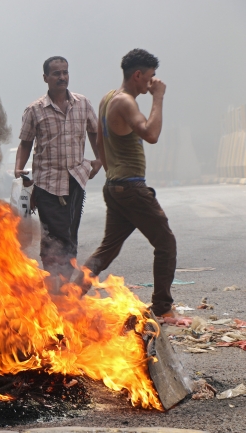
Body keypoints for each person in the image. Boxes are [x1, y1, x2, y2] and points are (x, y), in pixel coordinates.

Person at [75, 49, 176, 319]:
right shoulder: (126, 102)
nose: (152, 83)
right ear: (138, 75)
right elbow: (152, 134)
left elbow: (99, 143)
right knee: (166, 243)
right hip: (131, 187)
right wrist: (159, 97)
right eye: (150, 78)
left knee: (107, 249)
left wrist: (113, 176)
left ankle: (69, 295)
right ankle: (163, 308)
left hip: (116, 185)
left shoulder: (108, 98)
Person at [14, 56, 102, 284]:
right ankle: (55, 281)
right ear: (46, 78)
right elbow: (25, 142)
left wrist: (100, 159)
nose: (62, 77)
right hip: (47, 183)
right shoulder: (35, 110)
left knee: (70, 234)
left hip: (76, 178)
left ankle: (61, 280)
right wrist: (19, 169)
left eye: (65, 72)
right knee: (55, 234)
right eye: (56, 73)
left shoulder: (82, 103)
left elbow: (95, 131)